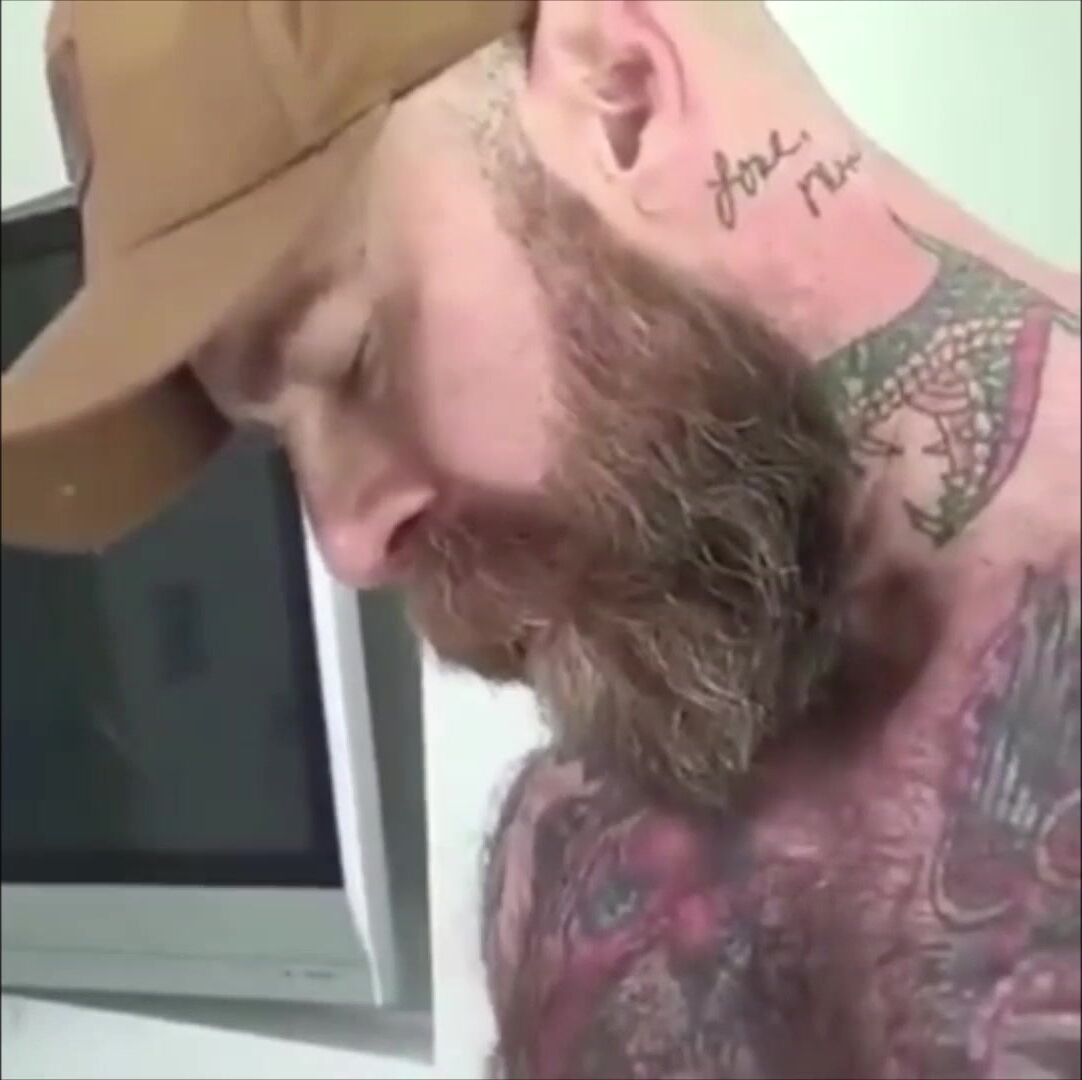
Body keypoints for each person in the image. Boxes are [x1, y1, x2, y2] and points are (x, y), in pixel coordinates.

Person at [2, 1, 1078, 1076]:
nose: (346, 543)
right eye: (279, 443)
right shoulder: (578, 835)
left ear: (623, 93)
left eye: (353, 355)